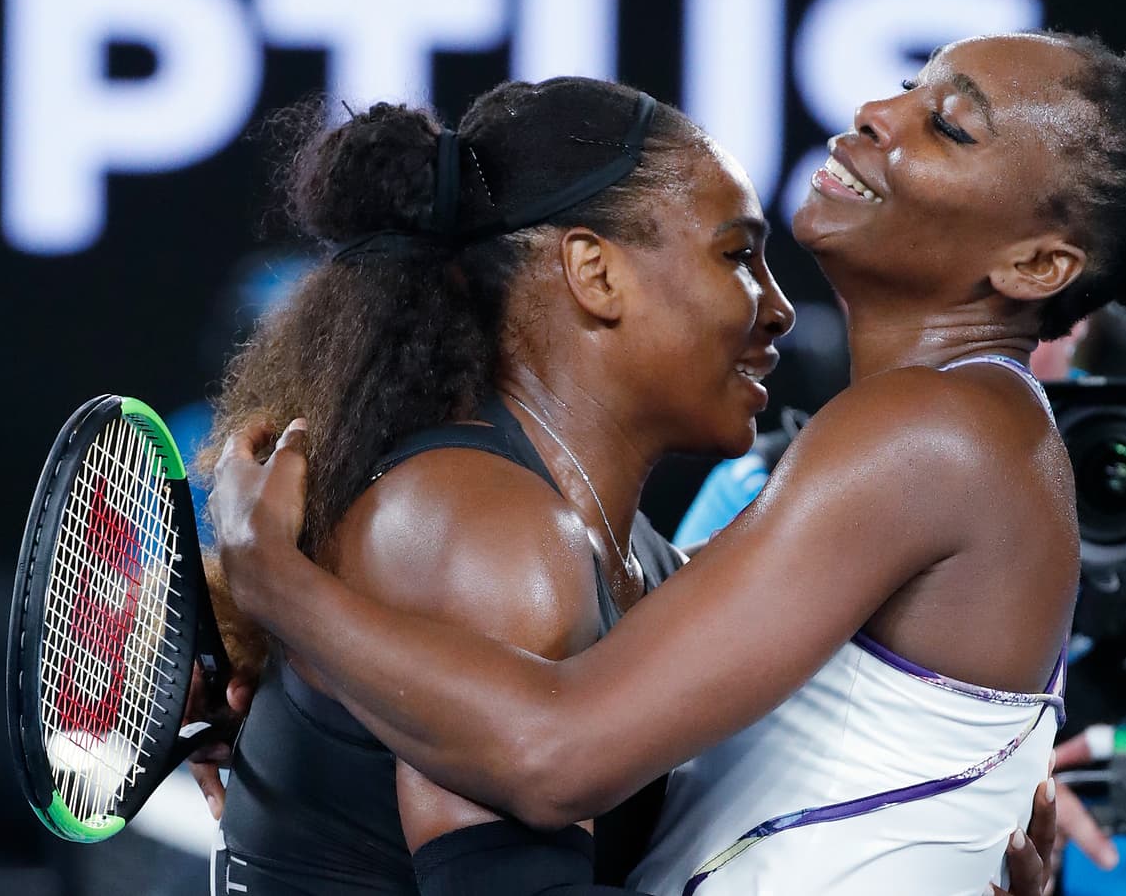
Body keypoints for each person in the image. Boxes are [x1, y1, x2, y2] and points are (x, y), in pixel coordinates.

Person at [215, 28, 1126, 893]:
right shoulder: (926, 442)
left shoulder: (941, 429)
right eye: (908, 87)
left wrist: (285, 590)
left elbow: (552, 752)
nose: (878, 110)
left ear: (1033, 266)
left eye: (947, 124)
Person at [195, 76, 808, 895]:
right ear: (594, 271)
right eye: (737, 254)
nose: (778, 308)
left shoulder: (630, 557)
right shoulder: (481, 532)